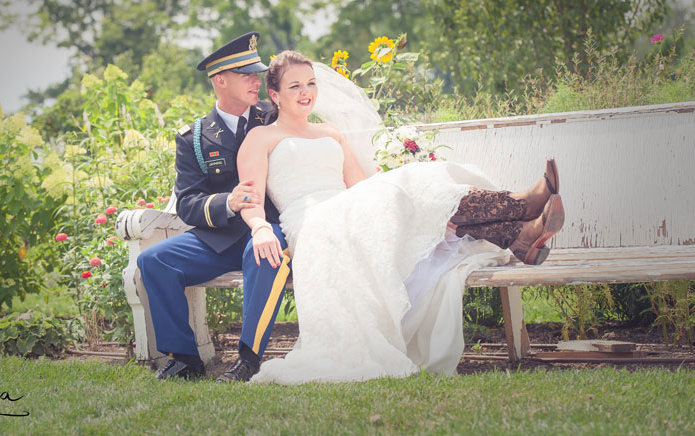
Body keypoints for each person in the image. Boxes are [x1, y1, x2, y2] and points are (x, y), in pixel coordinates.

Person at [236, 51, 565, 384]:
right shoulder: (261, 138)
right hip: (313, 222)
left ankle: (519, 232)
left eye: (310, 83)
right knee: (413, 189)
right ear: (275, 95)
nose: (306, 92)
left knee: (414, 193)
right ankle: (519, 212)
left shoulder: (330, 133)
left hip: (348, 209)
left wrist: (418, 211)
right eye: (294, 86)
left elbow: (362, 186)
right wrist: (260, 227)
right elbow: (250, 198)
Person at [137, 32, 289, 382]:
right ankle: (186, 360)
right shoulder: (193, 137)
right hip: (220, 238)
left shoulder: (274, 116)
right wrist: (228, 203)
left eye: (257, 73)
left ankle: (248, 359)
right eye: (246, 74)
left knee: (262, 250)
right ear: (220, 80)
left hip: (270, 228)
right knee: (153, 260)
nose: (257, 80)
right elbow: (188, 202)